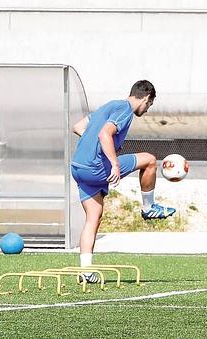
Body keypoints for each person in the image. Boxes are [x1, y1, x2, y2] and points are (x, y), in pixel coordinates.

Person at [71, 80, 179, 283]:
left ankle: (85, 271)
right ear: (146, 98)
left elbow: (78, 127)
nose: (147, 110)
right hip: (96, 168)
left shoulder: (109, 105)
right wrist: (114, 163)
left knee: (93, 218)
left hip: (78, 168)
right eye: (149, 105)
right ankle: (149, 207)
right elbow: (105, 134)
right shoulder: (125, 110)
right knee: (149, 160)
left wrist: (97, 144)